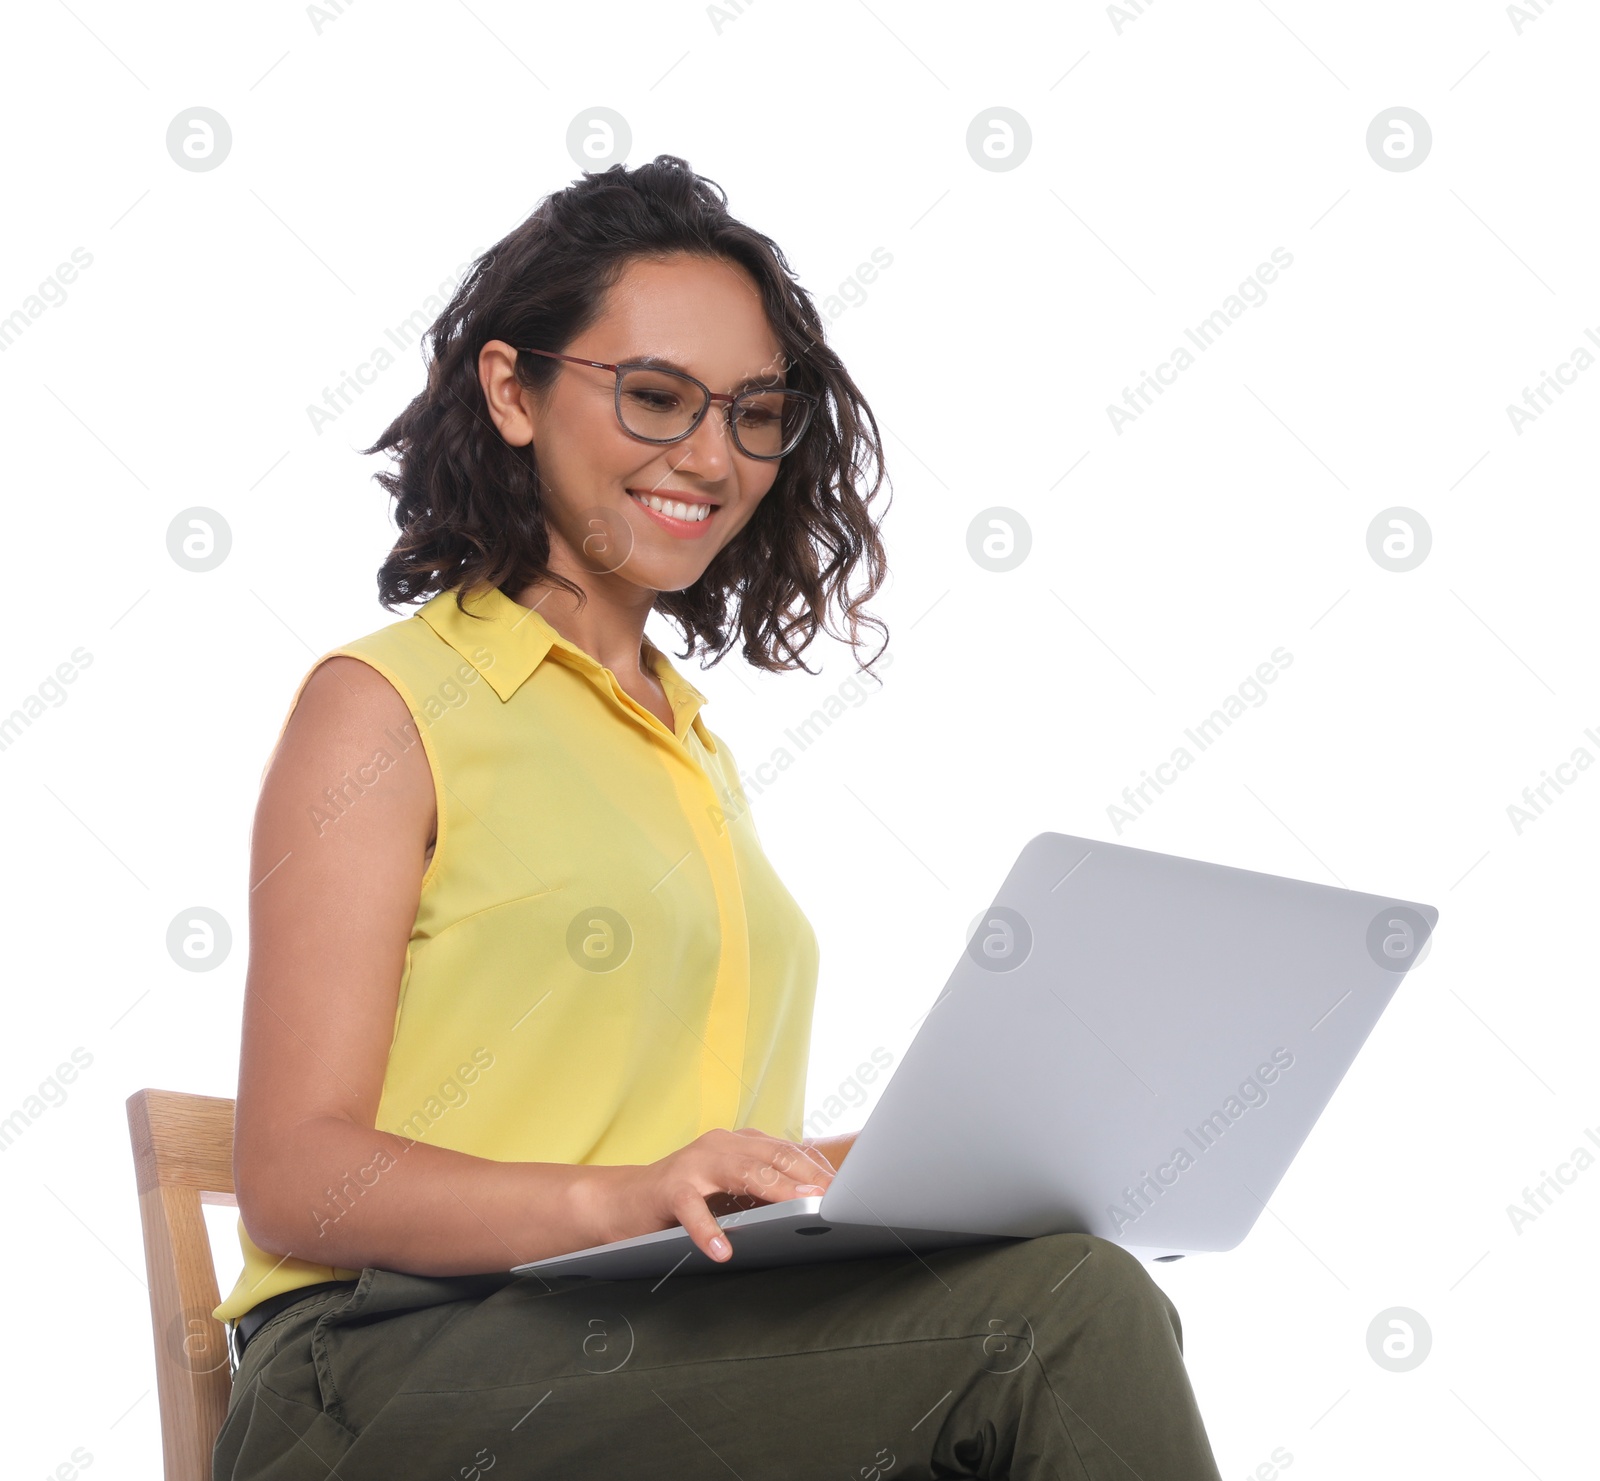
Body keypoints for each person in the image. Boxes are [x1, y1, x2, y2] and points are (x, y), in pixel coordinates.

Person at [212, 155, 1224, 1481]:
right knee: (1065, 1316)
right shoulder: (387, 706)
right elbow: (299, 1175)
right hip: (374, 1374)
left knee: (1044, 1278)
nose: (710, 454)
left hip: (640, 1346)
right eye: (655, 396)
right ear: (512, 390)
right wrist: (614, 1201)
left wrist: (908, 1172)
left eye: (753, 412)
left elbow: (685, 1167)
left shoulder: (684, 744)